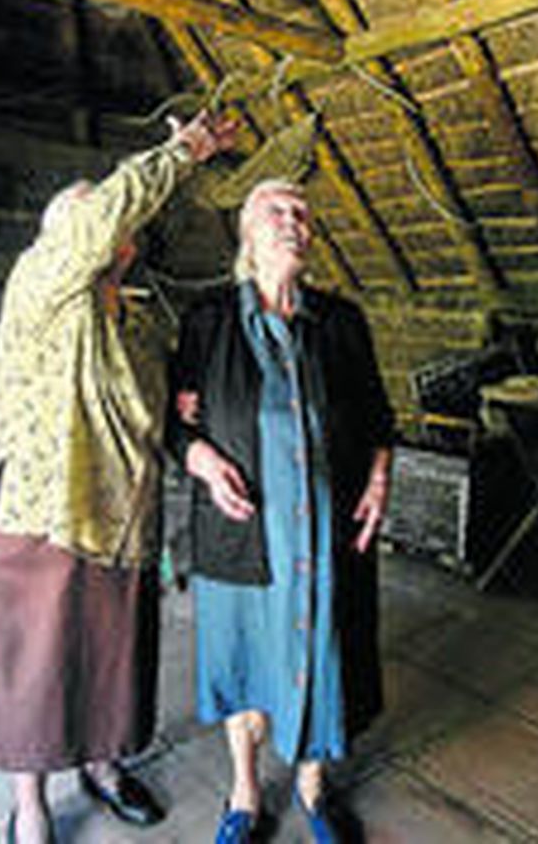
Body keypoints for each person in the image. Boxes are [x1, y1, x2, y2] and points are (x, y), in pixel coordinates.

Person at [0, 110, 237, 843]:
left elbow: (152, 409)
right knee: (35, 666)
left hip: (122, 513)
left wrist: (184, 419)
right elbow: (91, 221)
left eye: (111, 216)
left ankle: (106, 768)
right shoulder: (43, 281)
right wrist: (184, 152)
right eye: (91, 214)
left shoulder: (140, 318)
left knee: (112, 656)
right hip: (40, 507)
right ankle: (31, 806)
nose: (107, 225)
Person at [168, 179, 394, 844]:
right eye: (277, 211)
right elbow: (172, 422)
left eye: (303, 214)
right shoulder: (207, 320)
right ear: (247, 232)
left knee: (324, 654)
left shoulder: (340, 320)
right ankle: (244, 789)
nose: (293, 221)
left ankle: (314, 787)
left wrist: (379, 477)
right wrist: (202, 458)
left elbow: (379, 415)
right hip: (244, 531)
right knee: (243, 660)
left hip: (326, 526)